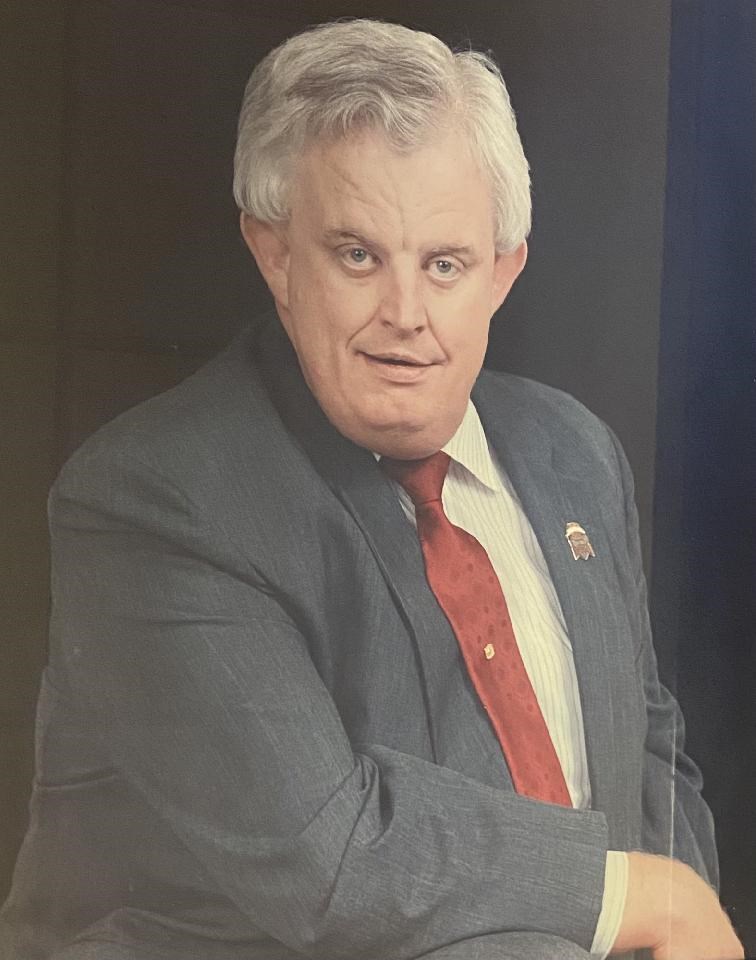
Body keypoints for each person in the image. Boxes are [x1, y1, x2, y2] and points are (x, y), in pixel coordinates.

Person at [0, 18, 744, 960]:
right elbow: (334, 859)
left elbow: (651, 755)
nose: (405, 315)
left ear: (503, 272)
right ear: (275, 256)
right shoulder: (156, 500)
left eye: (444, 265)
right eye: (358, 256)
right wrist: (644, 897)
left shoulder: (576, 453)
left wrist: (679, 916)